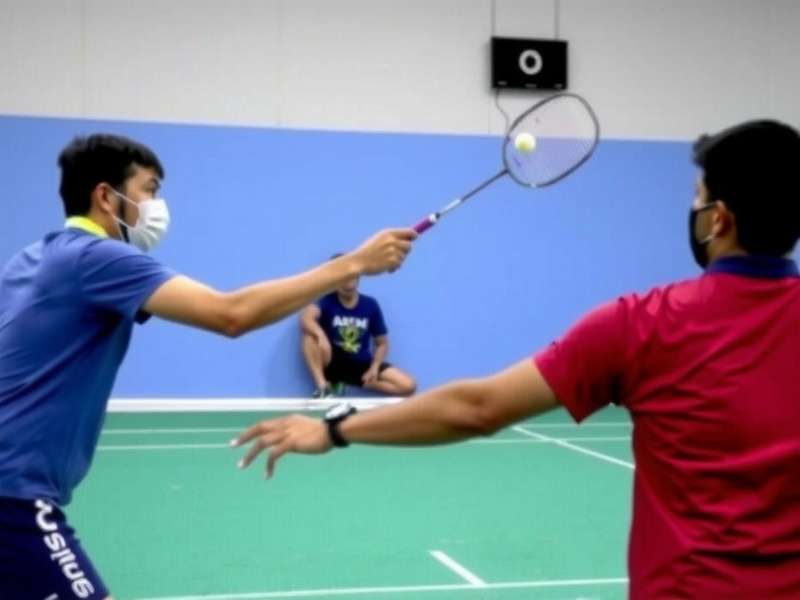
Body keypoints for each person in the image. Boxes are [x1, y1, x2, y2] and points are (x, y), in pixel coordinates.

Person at [233, 120, 800, 598]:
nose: (694, 211)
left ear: (719, 220)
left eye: (697, 200)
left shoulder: (641, 323)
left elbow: (478, 407)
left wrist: (335, 432)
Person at [0, 133, 416, 600]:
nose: (158, 205)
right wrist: (353, 263)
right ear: (104, 195)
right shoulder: (97, 257)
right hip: (12, 497)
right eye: (150, 189)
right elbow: (230, 314)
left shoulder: (33, 258)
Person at [300, 255, 416, 398]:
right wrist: (321, 336)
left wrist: (374, 368)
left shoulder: (370, 305)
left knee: (408, 386)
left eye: (351, 278)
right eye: (342, 278)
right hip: (332, 363)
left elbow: (382, 343)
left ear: (358, 277)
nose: (348, 283)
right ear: (334, 281)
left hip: (361, 366)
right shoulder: (327, 301)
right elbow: (306, 318)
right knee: (309, 337)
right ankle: (324, 387)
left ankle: (362, 383)